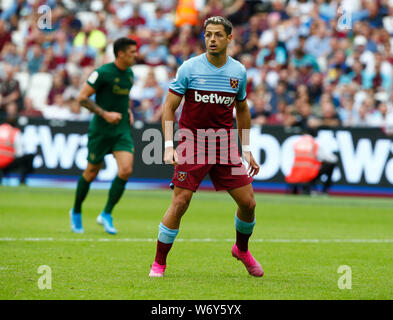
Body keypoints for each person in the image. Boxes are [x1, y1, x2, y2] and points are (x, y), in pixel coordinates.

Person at [149, 16, 263, 278]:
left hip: (223, 146)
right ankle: (159, 263)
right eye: (208, 35)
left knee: (249, 203)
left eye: (218, 35)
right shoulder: (189, 68)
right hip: (193, 142)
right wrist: (168, 145)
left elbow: (242, 108)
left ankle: (241, 250)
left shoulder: (238, 72)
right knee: (180, 202)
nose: (212, 39)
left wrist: (246, 147)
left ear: (229, 38)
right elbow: (168, 107)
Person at [69, 37, 138, 235]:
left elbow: (124, 98)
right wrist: (104, 114)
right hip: (101, 131)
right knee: (91, 172)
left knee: (125, 170)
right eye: (132, 52)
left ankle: (106, 213)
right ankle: (76, 210)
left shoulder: (130, 74)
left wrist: (128, 111)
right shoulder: (102, 73)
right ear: (121, 53)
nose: (135, 55)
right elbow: (82, 98)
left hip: (121, 129)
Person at [285, 126, 338, 195]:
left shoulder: (296, 143)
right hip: (308, 175)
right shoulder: (314, 143)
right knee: (331, 164)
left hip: (295, 175)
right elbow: (332, 158)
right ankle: (324, 191)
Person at [0, 116, 34, 185]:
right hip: (7, 161)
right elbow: (20, 152)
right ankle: (22, 180)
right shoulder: (15, 132)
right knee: (29, 157)